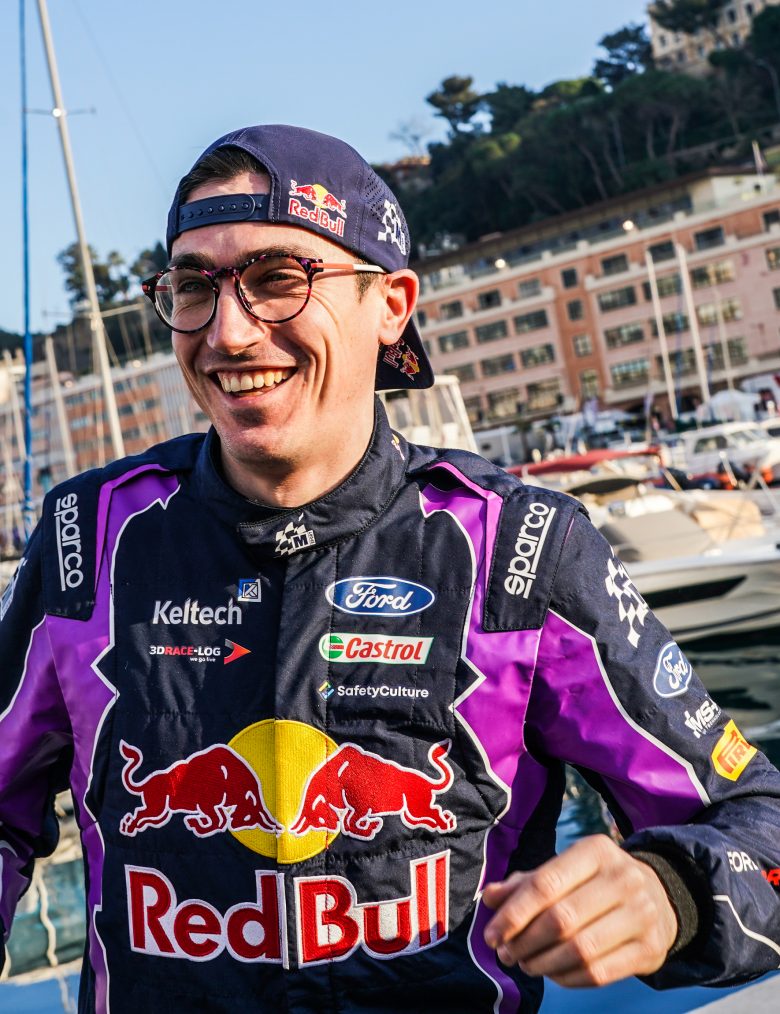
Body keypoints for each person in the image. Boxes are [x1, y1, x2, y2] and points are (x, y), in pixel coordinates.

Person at [1, 124, 779, 1014]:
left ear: (392, 305)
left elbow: (760, 825)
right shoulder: (89, 536)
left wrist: (671, 892)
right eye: (194, 287)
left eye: (278, 279)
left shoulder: (519, 548)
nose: (228, 332)